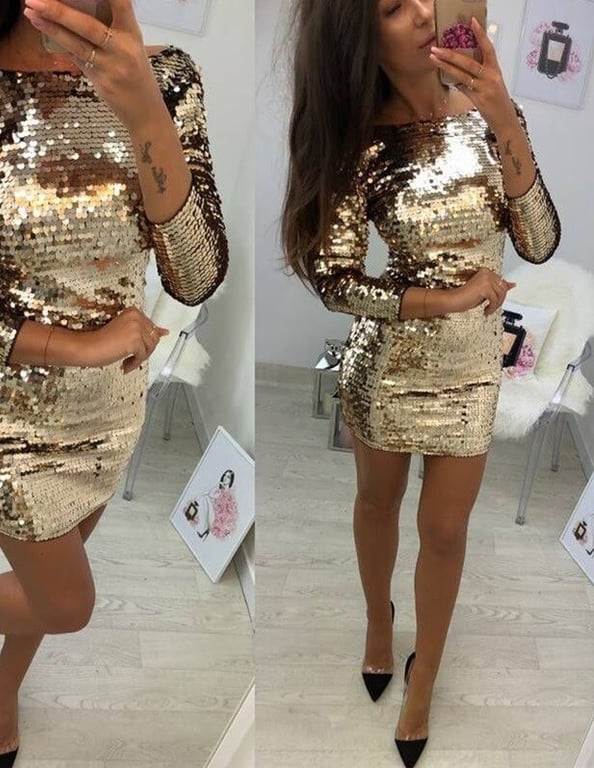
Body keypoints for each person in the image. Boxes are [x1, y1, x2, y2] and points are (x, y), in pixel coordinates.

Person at [0, 0, 228, 765]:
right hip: (6, 417)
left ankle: (5, 686)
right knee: (66, 601)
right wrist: (77, 348)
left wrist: (146, 111)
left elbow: (195, 279)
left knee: (47, 588)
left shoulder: (169, 79)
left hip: (112, 410)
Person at [281, 1, 560, 765]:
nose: (426, 12)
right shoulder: (357, 139)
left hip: (471, 370)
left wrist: (505, 116)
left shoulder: (488, 113)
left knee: (444, 531)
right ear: (358, 35)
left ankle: (425, 677)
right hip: (389, 365)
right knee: (377, 504)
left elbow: (538, 241)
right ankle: (379, 621)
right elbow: (337, 281)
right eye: (395, 7)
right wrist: (444, 299)